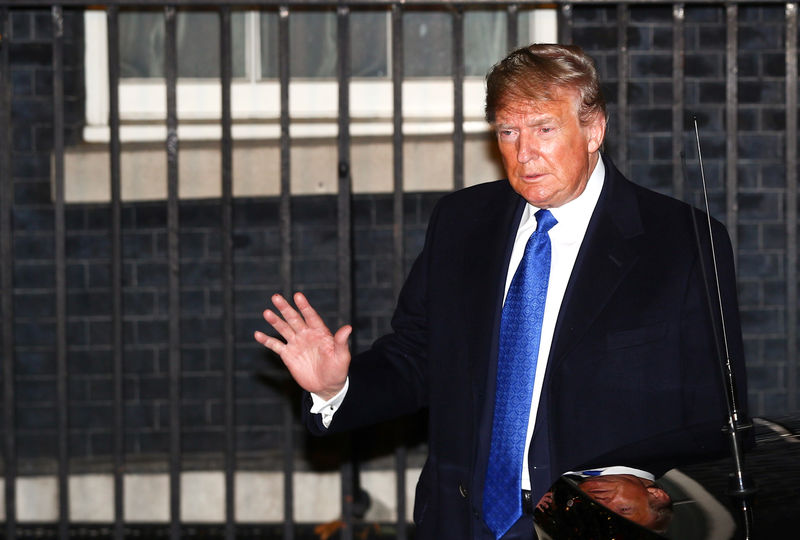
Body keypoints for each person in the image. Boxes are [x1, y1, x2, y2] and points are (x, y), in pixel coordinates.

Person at [254, 43, 748, 540]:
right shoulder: (461, 223)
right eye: (508, 132)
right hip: (462, 523)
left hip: (599, 527)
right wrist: (334, 387)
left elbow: (719, 421)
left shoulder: (681, 243)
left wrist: (649, 485)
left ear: (594, 129)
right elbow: (416, 356)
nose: (523, 152)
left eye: (544, 129)